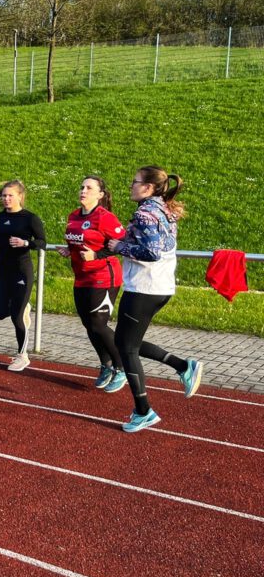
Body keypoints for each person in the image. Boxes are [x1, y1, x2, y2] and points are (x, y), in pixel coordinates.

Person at [107, 166, 203, 433]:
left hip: (144, 287)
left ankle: (143, 411)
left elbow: (152, 252)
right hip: (161, 286)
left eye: (135, 182)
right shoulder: (163, 208)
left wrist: (119, 246)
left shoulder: (145, 213)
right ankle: (183, 366)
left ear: (148, 187)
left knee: (126, 348)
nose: (131, 186)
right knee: (127, 342)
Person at [58, 176, 127, 392]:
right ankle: (106, 364)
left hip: (104, 276)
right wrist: (69, 249)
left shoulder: (105, 217)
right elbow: (77, 241)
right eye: (82, 187)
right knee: (88, 324)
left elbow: (124, 242)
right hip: (81, 277)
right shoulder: (73, 215)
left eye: (89, 188)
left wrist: (97, 255)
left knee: (98, 324)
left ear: (100, 194)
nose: (83, 190)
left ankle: (122, 367)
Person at [0, 180, 46, 372]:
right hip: (2, 269)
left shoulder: (30, 218)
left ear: (20, 196)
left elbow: (42, 242)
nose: (6, 199)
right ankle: (23, 305)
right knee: (0, 310)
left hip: (21, 270)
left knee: (17, 317)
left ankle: (22, 355)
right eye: (4, 195)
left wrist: (25, 243)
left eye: (10, 195)